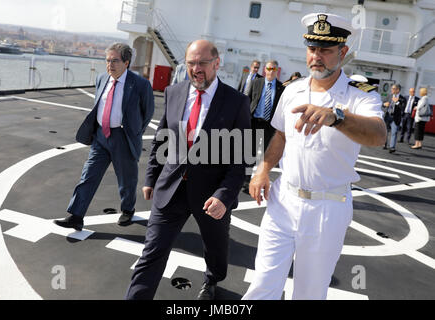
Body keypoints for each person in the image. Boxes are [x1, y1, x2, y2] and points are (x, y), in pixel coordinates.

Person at [242, 13, 386, 300]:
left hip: (326, 207)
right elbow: (280, 135)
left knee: (309, 292)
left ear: (342, 52)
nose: (316, 56)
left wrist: (337, 117)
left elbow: (378, 135)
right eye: (312, 49)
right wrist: (263, 169)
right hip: (283, 200)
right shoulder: (292, 90)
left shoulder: (360, 95)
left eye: (325, 50)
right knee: (262, 285)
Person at [125, 39, 251, 300]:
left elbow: (243, 158)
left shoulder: (237, 102)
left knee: (216, 250)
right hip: (171, 189)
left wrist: (224, 196)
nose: (196, 69)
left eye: (203, 63)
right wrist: (151, 177)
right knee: (151, 253)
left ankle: (213, 280)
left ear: (217, 63)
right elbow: (162, 138)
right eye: (191, 63)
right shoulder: (174, 92)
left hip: (211, 196)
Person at [54, 43, 155, 231]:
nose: (110, 65)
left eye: (115, 61)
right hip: (101, 136)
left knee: (127, 179)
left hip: (123, 137)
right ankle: (76, 216)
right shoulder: (102, 79)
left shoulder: (140, 84)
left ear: (126, 62)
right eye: (108, 60)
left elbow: (147, 112)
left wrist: (133, 132)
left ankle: (128, 209)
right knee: (88, 175)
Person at [243, 60, 285, 191]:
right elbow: (247, 100)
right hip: (255, 122)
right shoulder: (257, 83)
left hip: (269, 126)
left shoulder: (281, 88)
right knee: (250, 153)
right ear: (265, 70)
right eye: (268, 68)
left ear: (277, 71)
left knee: (264, 155)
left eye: (273, 69)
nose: (271, 71)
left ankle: (258, 179)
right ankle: (245, 182)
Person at [382, 84, 406, 153]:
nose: (391, 90)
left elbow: (403, 108)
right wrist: (384, 104)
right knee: (385, 131)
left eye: (393, 88)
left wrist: (397, 102)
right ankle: (384, 144)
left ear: (397, 90)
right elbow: (383, 103)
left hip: (396, 118)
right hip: (388, 116)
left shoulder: (402, 98)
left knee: (394, 132)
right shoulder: (389, 96)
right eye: (391, 88)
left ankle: (392, 147)